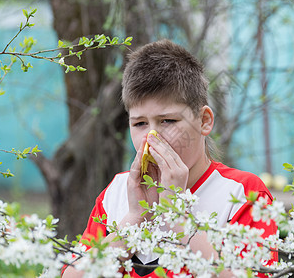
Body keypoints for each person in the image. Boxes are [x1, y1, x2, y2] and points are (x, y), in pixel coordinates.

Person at [62, 39, 278, 277]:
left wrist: (177, 212)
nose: (152, 137)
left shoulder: (241, 194)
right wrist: (134, 218)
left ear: (204, 121)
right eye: (140, 124)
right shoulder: (116, 193)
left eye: (168, 121)